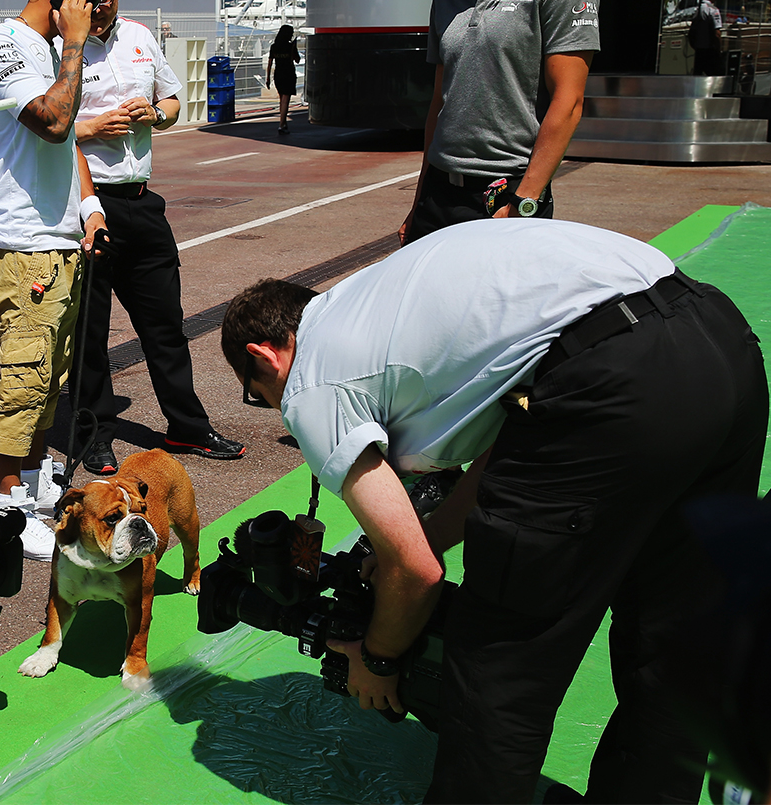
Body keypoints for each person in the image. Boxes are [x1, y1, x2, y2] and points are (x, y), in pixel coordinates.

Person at [221, 218, 766, 803]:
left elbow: (415, 572)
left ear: (265, 356)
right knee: (673, 650)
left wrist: (375, 657)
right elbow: (516, 437)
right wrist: (432, 535)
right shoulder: (377, 300)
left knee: (498, 674)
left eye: (258, 395)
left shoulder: (309, 382)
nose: (273, 407)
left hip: (607, 379)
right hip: (721, 345)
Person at [69, 0, 245, 475]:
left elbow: (172, 101)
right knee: (90, 332)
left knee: (166, 324)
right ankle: (93, 433)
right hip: (87, 202)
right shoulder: (63, 47)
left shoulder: (142, 38)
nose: (97, 11)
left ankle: (187, 427)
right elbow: (41, 130)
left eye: (105, 1)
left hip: (143, 202)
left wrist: (157, 115)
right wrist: (91, 128)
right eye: (88, 2)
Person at [0, 0, 107, 561]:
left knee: (53, 375)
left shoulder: (52, 51)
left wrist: (88, 205)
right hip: (21, 243)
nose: (100, 14)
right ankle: (8, 499)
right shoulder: (3, 46)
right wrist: (74, 43)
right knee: (23, 379)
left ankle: (37, 472)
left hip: (59, 240)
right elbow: (51, 120)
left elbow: (68, 140)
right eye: (92, 3)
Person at [400, 0, 600, 247]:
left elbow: (570, 101)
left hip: (505, 194)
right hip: (439, 195)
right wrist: (419, 200)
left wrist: (525, 201)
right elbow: (439, 104)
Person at [265, 24, 300, 135]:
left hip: (278, 74)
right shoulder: (290, 47)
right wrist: (294, 49)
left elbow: (270, 63)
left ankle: (284, 123)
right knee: (286, 100)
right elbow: (297, 60)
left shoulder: (274, 46)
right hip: (288, 73)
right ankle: (281, 125)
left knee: (281, 99)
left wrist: (267, 78)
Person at [691, 0, 724, 76]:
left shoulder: (696, 10)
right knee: (717, 76)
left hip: (699, 50)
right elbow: (717, 33)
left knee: (697, 77)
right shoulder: (713, 10)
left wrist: (695, 46)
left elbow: (691, 32)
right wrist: (719, 50)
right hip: (710, 51)